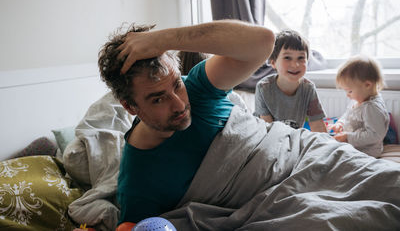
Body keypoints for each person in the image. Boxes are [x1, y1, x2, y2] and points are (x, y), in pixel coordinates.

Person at [97, 20, 275, 225]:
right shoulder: (139, 181)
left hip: (299, 158)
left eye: (177, 85)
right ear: (130, 107)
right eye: (158, 99)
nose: (180, 104)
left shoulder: (198, 88)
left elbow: (264, 41)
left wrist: (163, 39)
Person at [253, 29, 327, 132]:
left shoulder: (308, 88)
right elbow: (267, 129)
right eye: (287, 58)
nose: (295, 65)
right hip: (266, 136)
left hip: (293, 138)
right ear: (273, 63)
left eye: (301, 58)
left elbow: (318, 125)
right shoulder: (263, 87)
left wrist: (327, 146)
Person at [328, 55, 389, 157]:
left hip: (366, 151)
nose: (347, 95)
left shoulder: (372, 107)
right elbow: (347, 114)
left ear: (367, 85)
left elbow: (374, 135)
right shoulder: (359, 99)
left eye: (350, 91)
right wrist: (340, 123)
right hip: (353, 145)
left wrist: (348, 137)